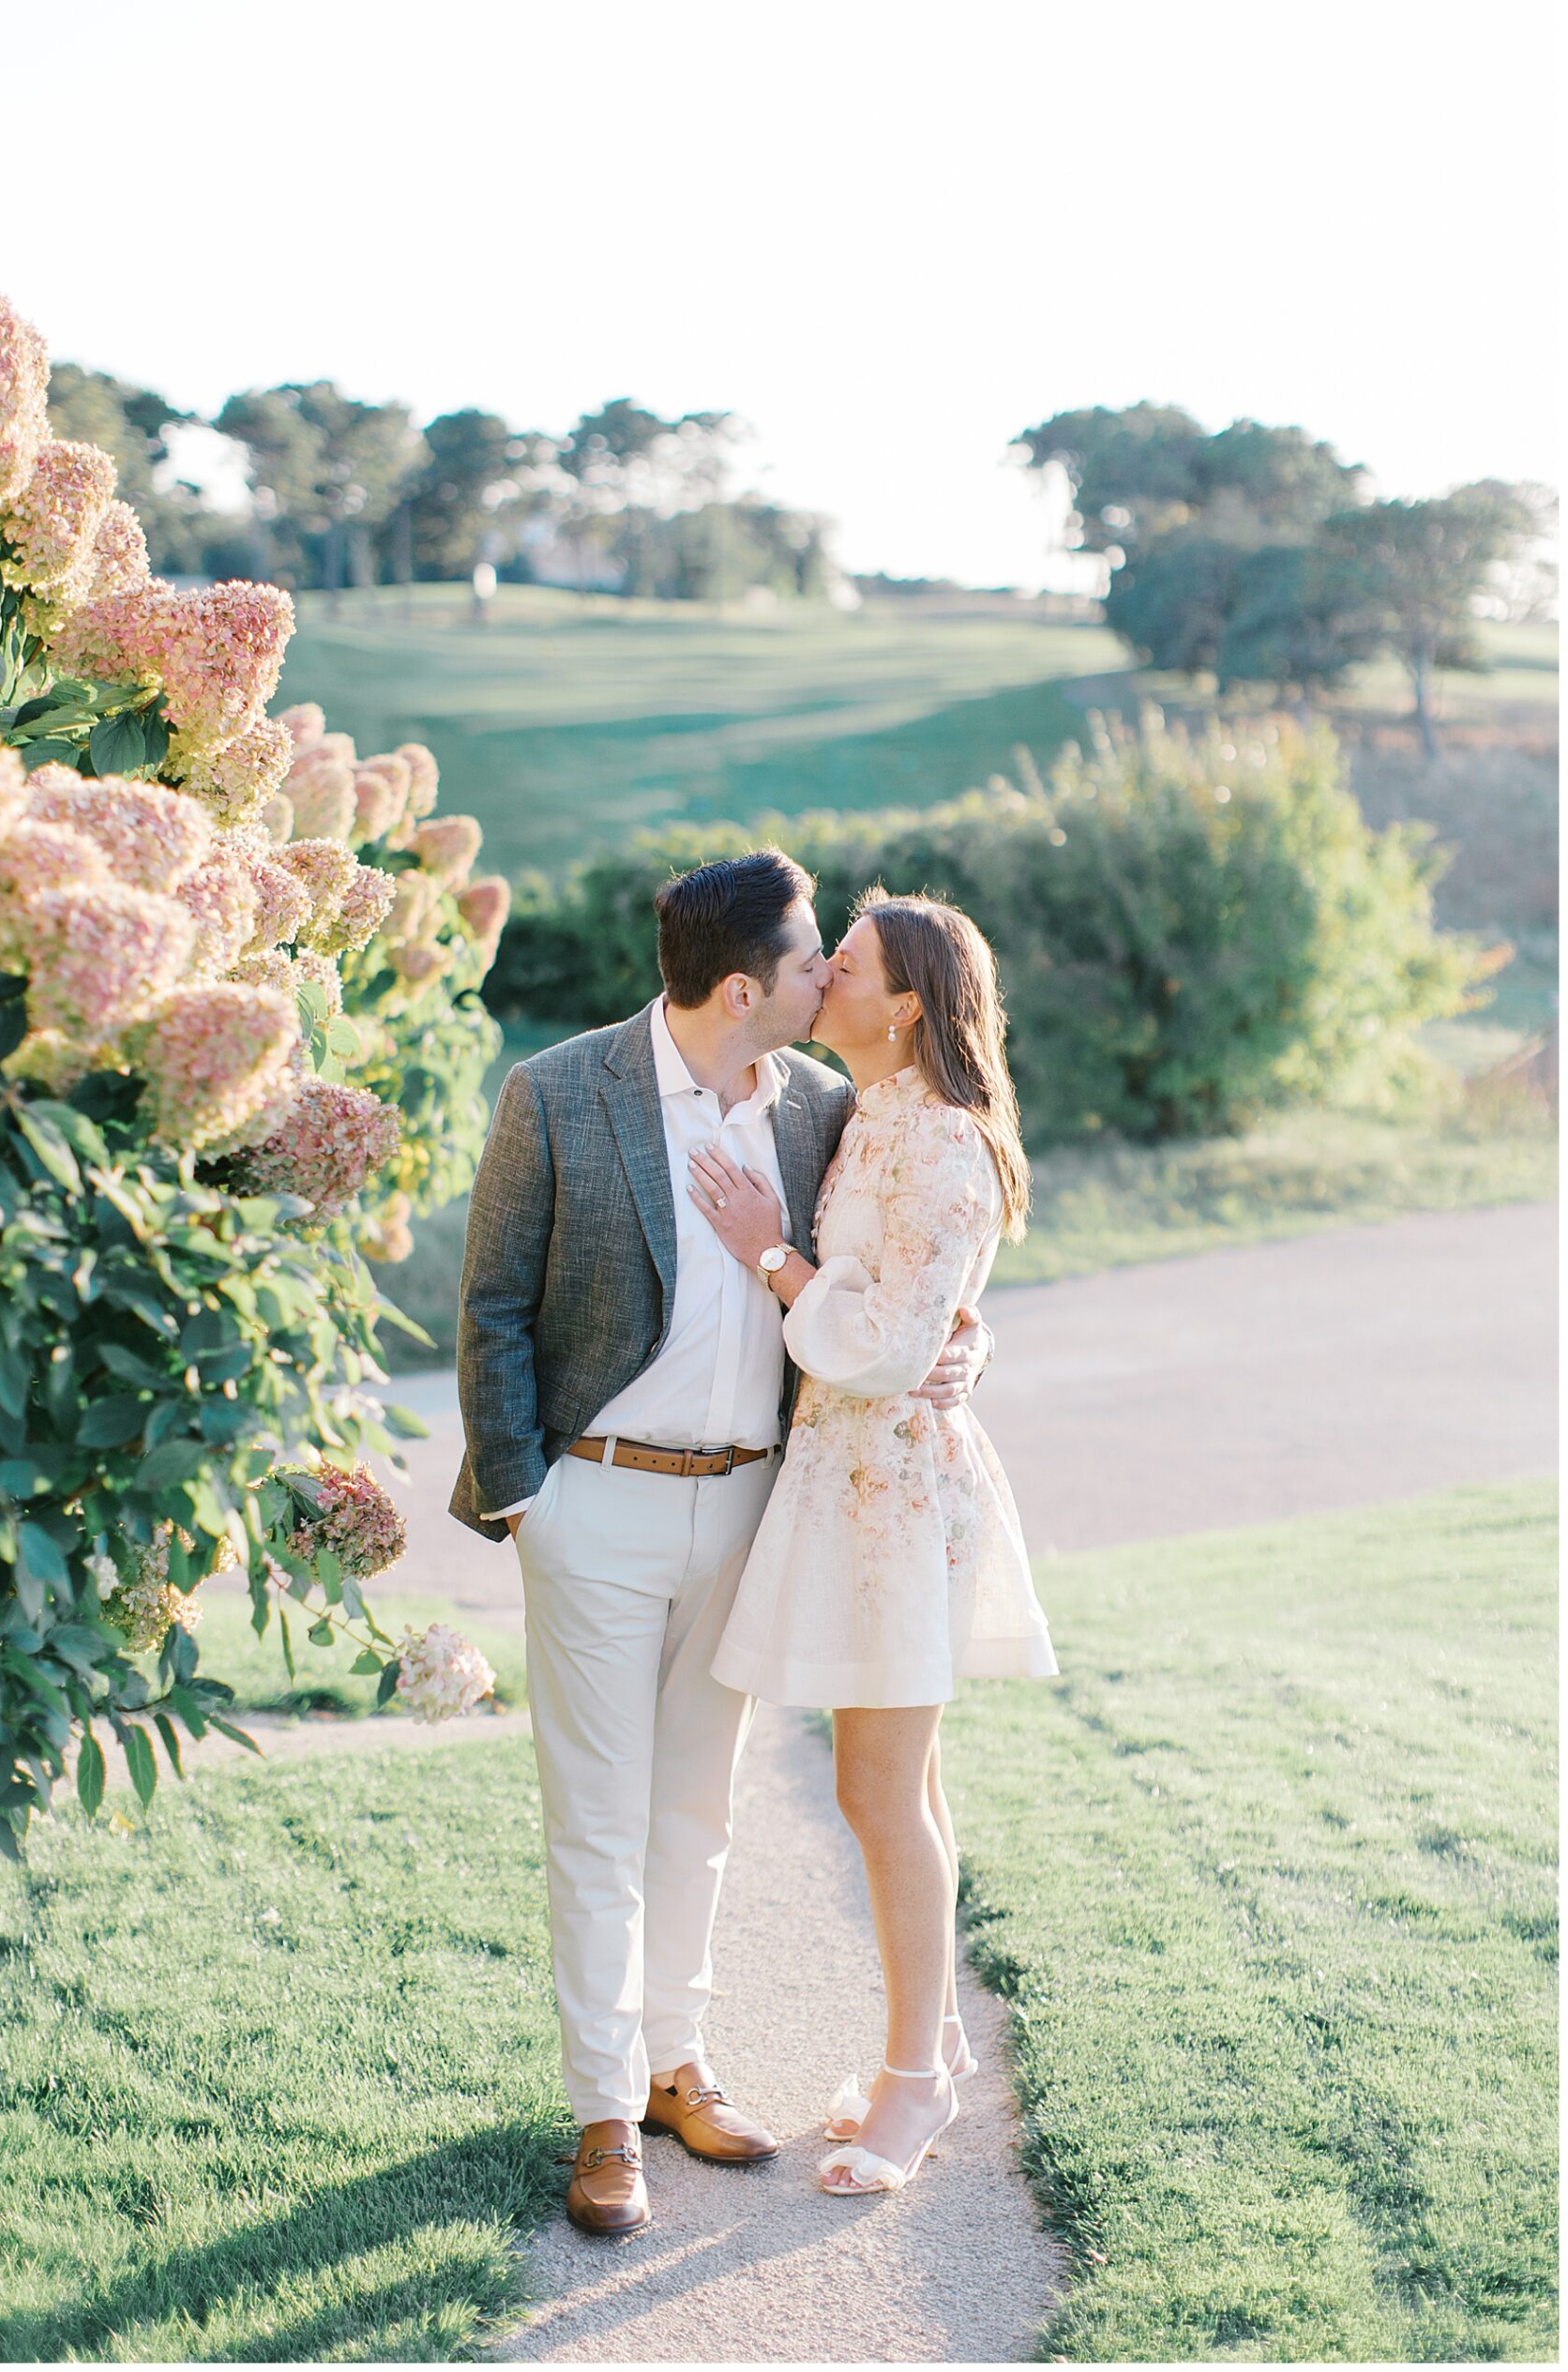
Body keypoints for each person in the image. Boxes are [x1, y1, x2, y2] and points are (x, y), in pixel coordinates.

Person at [450, 851, 994, 2236]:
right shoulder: (558, 1091)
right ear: (743, 988)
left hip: (755, 1505)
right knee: (598, 1819)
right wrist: (525, 1499)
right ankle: (601, 2112)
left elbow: (905, 1269)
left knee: (698, 1810)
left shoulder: (822, 1108)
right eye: (813, 960)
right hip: (592, 1504)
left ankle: (674, 2065)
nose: (827, 977)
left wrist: (962, 1346)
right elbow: (492, 1305)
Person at [691, 888, 1059, 2198]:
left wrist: (772, 1261)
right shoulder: (864, 1117)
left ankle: (915, 2082)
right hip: (851, 1478)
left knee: (879, 1793)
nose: (819, 975)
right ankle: (932, 2050)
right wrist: (957, 1328)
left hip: (895, 1492)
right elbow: (925, 1309)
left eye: (842, 965)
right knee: (900, 1786)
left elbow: (896, 1342)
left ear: (903, 1005)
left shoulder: (943, 1138)